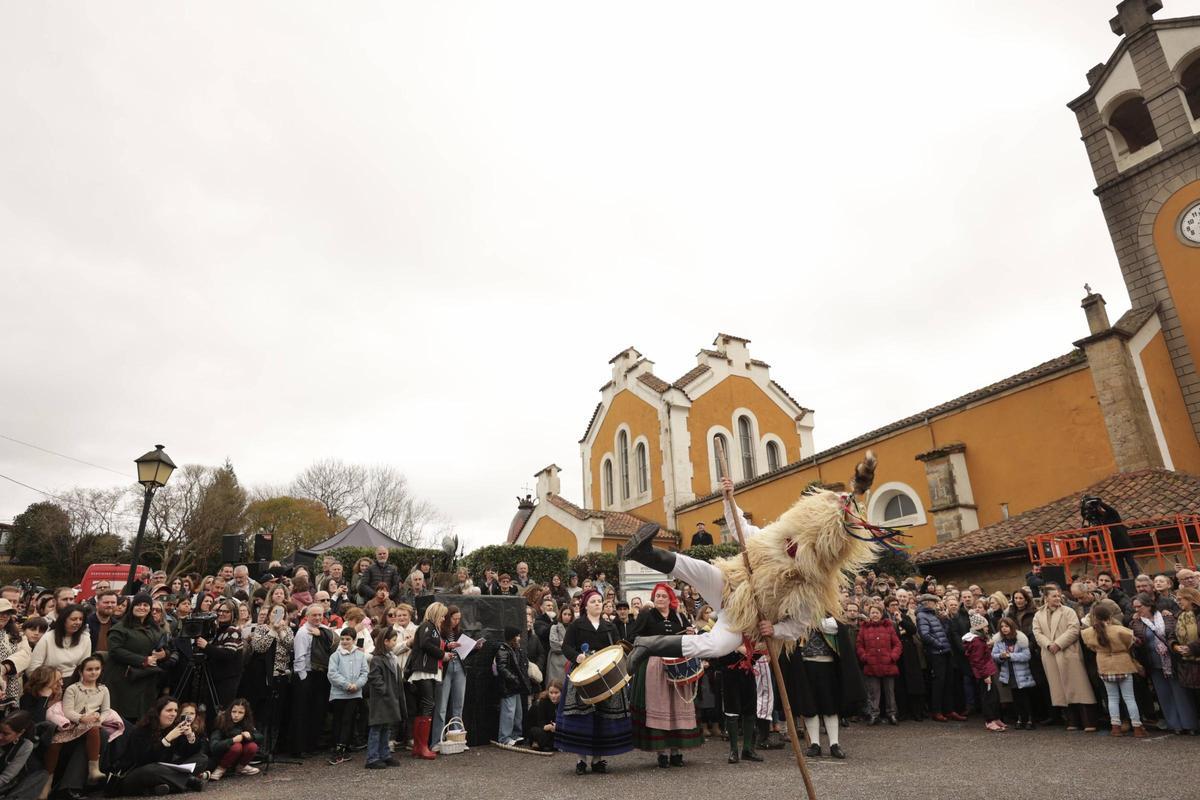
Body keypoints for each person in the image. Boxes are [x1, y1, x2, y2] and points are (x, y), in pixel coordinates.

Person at [556, 589, 633, 775]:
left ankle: (598, 760)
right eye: (593, 601)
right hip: (583, 675)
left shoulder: (610, 626)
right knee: (582, 718)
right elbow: (566, 647)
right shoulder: (577, 625)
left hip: (606, 677)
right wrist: (577, 657)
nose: (598, 604)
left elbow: (617, 649)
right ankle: (581, 760)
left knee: (602, 718)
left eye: (599, 601)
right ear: (585, 606)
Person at [627, 583, 702, 768]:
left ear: (670, 599)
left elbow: (689, 638)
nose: (660, 599)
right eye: (657, 596)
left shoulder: (679, 616)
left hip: (678, 666)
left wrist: (690, 633)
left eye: (663, 596)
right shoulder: (647, 615)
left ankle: (676, 752)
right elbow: (633, 638)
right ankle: (661, 753)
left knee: (677, 707)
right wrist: (653, 643)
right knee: (659, 705)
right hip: (655, 666)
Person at [109, 696, 207, 795]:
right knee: (153, 769)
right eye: (169, 710)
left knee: (201, 759)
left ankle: (161, 788)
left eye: (175, 711)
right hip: (136, 773)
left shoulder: (172, 728)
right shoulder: (141, 730)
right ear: (158, 712)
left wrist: (190, 736)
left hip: (163, 770)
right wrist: (166, 740)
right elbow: (143, 760)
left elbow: (185, 752)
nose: (173, 714)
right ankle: (187, 781)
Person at [1032, 585, 1097, 731]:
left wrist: (1058, 644)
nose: (1057, 598)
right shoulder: (1038, 615)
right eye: (1054, 596)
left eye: (1058, 595)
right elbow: (1037, 633)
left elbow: (1074, 629)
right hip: (1050, 654)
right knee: (1060, 689)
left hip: (1068, 652)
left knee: (1079, 687)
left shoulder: (1068, 611)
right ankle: (1072, 721)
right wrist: (1049, 644)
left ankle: (1089, 721)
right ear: (1046, 598)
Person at [1130, 592, 1196, 733]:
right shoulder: (1135, 622)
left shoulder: (1167, 617)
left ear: (1149, 605)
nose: (1137, 610)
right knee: (1164, 695)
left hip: (1173, 660)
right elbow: (1137, 643)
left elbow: (1175, 633)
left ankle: (1190, 725)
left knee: (1181, 693)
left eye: (1139, 606)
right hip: (1153, 663)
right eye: (1134, 607)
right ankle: (1175, 725)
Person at [1081, 603, 1145, 737]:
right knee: (1129, 698)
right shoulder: (1120, 630)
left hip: (1104, 665)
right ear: (1110, 617)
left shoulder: (1089, 632)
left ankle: (1115, 726)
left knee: (1112, 698)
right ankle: (1137, 727)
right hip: (1122, 663)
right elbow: (1133, 643)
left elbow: (1091, 647)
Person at [44, 655, 108, 786]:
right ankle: (46, 782)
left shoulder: (103, 689)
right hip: (73, 723)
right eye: (89, 669)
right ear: (80, 671)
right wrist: (81, 718)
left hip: (92, 723)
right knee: (54, 743)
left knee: (94, 728)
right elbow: (68, 711)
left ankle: (94, 769)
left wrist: (100, 718)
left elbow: (106, 710)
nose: (94, 672)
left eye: (97, 669)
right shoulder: (72, 689)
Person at [103, 594, 165, 724]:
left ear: (150, 608)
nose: (141, 607)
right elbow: (115, 650)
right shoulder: (120, 628)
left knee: (143, 719)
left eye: (145, 605)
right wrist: (143, 660)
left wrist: (164, 654)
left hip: (146, 681)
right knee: (122, 720)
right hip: (123, 680)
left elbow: (165, 647)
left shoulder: (155, 628)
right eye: (138, 604)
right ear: (132, 607)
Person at [290, 604, 335, 757]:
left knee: (317, 711)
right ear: (307, 616)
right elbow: (299, 657)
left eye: (319, 615)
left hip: (321, 675)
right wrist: (303, 679)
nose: (317, 618)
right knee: (302, 713)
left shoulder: (324, 629)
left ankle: (312, 745)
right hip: (306, 675)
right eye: (314, 615)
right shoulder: (302, 632)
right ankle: (299, 748)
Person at [407, 602, 450, 761]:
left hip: (429, 670)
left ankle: (419, 747)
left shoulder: (432, 628)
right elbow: (425, 644)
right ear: (436, 614)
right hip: (424, 671)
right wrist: (442, 654)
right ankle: (422, 746)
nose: (444, 618)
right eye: (442, 615)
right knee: (428, 704)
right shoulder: (427, 626)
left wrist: (446, 647)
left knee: (425, 706)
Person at [327, 628, 368, 765]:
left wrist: (357, 685)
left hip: (354, 694)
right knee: (338, 720)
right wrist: (346, 685)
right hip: (339, 694)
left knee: (348, 720)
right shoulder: (335, 656)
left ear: (354, 640)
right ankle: (337, 747)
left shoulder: (360, 655)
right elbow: (332, 674)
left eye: (348, 639)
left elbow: (364, 672)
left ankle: (343, 747)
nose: (345, 641)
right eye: (343, 639)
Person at [855, 603, 901, 726]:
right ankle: (874, 715)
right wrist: (864, 657)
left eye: (877, 612)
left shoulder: (888, 627)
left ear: (881, 614)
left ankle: (892, 714)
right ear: (869, 614)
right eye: (872, 613)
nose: (874, 615)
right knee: (873, 693)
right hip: (871, 665)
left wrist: (893, 657)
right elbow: (859, 645)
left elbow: (897, 644)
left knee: (890, 692)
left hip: (888, 664)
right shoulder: (864, 628)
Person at [365, 627, 404, 769]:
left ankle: (385, 754)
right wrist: (385, 691)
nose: (395, 643)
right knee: (377, 728)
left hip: (390, 697)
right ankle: (372, 757)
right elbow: (374, 677)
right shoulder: (377, 659)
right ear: (385, 641)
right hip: (381, 699)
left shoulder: (391, 657)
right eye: (393, 640)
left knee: (386, 727)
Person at [431, 605, 467, 752]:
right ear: (447, 618)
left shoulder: (459, 632)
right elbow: (434, 647)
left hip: (459, 666)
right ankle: (436, 741)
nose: (456, 622)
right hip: (445, 667)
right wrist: (447, 646)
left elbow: (463, 651)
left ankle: (457, 739)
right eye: (454, 619)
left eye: (459, 619)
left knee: (458, 706)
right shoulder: (440, 630)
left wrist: (474, 648)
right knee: (441, 707)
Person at [916, 594, 957, 722]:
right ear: (927, 602)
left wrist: (945, 621)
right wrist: (939, 644)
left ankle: (949, 710)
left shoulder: (933, 615)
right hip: (936, 653)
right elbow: (925, 635)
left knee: (948, 682)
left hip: (945, 651)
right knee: (939, 683)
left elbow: (943, 632)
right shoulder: (922, 615)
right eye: (934, 602)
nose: (936, 604)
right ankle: (937, 711)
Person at [1080, 496, 1140, 580]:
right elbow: (1087, 518)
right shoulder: (1099, 520)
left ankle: (1137, 578)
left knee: (1131, 562)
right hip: (1112, 546)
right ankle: (1125, 580)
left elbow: (1112, 510)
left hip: (1123, 543)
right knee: (1120, 566)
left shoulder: (1112, 515)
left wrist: (1099, 503)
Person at [991, 617, 1036, 729]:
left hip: (1021, 674)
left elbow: (1026, 655)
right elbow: (994, 655)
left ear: (1012, 627)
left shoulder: (1020, 640)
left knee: (1024, 697)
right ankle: (1020, 718)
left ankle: (1029, 719)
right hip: (1009, 674)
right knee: (1015, 697)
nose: (1004, 629)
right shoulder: (999, 641)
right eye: (1002, 627)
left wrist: (1010, 656)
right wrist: (1001, 656)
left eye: (1006, 626)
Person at [203, 600, 245, 714]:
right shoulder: (218, 631)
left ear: (233, 614)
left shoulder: (233, 630)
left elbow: (228, 653)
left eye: (226, 611)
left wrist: (206, 646)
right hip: (216, 678)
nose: (221, 614)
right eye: (220, 611)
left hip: (227, 681)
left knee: (221, 712)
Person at [962, 613, 1003, 731]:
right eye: (985, 626)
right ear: (979, 627)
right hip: (985, 673)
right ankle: (990, 720)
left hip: (987, 671)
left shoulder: (980, 640)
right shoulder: (977, 642)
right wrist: (985, 675)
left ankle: (995, 717)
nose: (987, 628)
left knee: (994, 695)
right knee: (988, 697)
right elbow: (978, 660)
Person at [29, 606, 90, 679]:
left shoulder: (85, 638)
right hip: (49, 680)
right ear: (63, 620)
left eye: (81, 619)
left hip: (74, 680)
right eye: (74, 619)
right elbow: (33, 667)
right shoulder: (48, 637)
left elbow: (84, 666)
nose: (78, 622)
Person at [495, 626, 531, 747]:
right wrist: (513, 678)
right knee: (508, 713)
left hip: (516, 687)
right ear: (512, 637)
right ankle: (504, 738)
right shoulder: (503, 649)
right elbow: (501, 667)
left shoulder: (516, 649)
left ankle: (515, 734)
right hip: (508, 687)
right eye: (517, 636)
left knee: (517, 713)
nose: (519, 638)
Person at [0, 711, 47, 799]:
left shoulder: (25, 746)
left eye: (6, 734)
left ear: (20, 733)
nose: (0, 736)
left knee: (42, 775)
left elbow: (6, 777)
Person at [1171, 586, 1200, 690]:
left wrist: (1191, 648)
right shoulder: (1178, 616)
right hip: (1187, 666)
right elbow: (1171, 636)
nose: (1178, 602)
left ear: (1190, 599)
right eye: (1177, 599)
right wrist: (1175, 646)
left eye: (1180, 599)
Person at [525, 682, 560, 752]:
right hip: (544, 729)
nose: (553, 695)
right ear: (548, 692)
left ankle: (546, 745)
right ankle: (548, 745)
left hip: (557, 729)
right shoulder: (543, 701)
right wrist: (547, 727)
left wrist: (558, 726)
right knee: (535, 731)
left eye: (556, 693)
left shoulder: (564, 702)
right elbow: (541, 721)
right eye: (551, 693)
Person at [546, 606, 572, 690]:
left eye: (569, 614)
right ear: (561, 615)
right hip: (556, 662)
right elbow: (554, 645)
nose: (567, 616)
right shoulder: (555, 627)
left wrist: (562, 643)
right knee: (555, 687)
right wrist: (568, 646)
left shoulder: (574, 628)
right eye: (565, 614)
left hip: (570, 661)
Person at [85, 591, 118, 656]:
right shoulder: (86, 622)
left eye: (113, 602)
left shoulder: (117, 625)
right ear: (97, 605)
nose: (110, 605)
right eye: (106, 602)